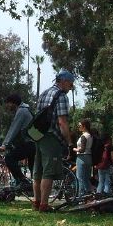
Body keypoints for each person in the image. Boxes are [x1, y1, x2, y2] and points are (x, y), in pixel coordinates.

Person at [32, 70, 74, 211]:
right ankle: (44, 205)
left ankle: (36, 202)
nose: (71, 88)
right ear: (63, 81)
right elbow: (62, 122)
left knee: (38, 171)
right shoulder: (61, 96)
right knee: (48, 171)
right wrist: (69, 142)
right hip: (52, 137)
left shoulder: (44, 93)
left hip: (38, 135)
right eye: (70, 84)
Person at [0, 92, 34, 188]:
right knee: (33, 169)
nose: (7, 106)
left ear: (13, 103)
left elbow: (14, 129)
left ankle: (22, 181)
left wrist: (5, 144)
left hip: (29, 143)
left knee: (9, 158)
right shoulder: (26, 110)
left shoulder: (21, 111)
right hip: (33, 143)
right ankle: (32, 190)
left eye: (8, 103)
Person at [74, 118, 94, 197]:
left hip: (81, 157)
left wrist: (75, 149)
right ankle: (89, 194)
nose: (78, 127)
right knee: (86, 178)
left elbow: (82, 149)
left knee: (80, 177)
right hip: (89, 157)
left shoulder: (84, 136)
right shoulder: (90, 135)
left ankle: (81, 195)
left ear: (84, 126)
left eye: (80, 125)